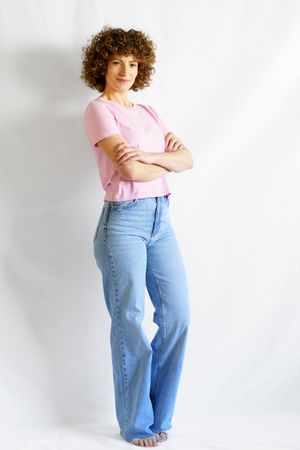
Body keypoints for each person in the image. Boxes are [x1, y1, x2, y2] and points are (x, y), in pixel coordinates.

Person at [80, 25, 193, 447]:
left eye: (132, 63)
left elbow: (189, 157)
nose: (125, 70)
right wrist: (167, 163)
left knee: (177, 315)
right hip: (122, 222)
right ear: (102, 66)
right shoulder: (99, 110)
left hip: (161, 220)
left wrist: (149, 156)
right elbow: (128, 172)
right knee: (129, 321)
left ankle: (160, 416)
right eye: (116, 62)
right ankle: (136, 425)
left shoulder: (147, 114)